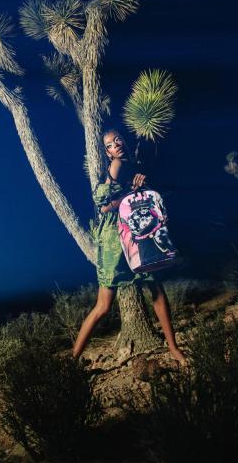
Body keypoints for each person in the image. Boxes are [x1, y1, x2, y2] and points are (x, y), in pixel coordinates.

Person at [72, 129, 186, 364]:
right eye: (109, 145)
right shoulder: (116, 165)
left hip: (136, 232)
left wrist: (140, 189)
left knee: (156, 290)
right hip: (116, 239)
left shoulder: (135, 165)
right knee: (104, 305)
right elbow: (103, 206)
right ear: (107, 153)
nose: (115, 145)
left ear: (124, 140)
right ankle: (72, 359)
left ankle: (174, 348)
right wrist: (130, 192)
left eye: (117, 140)